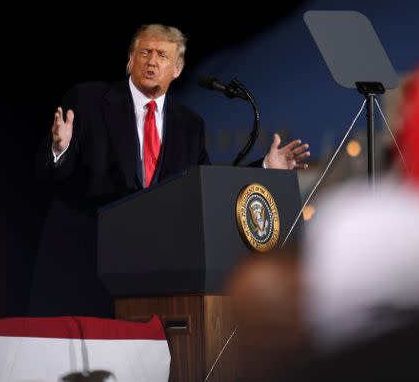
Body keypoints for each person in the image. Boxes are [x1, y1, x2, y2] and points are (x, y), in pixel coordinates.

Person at [29, 24, 310, 318]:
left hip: (152, 280)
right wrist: (59, 149)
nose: (151, 61)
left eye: (162, 55)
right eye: (144, 52)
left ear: (177, 68)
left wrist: (265, 167)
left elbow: (206, 190)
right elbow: (49, 175)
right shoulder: (88, 100)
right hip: (87, 271)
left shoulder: (189, 125)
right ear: (130, 59)